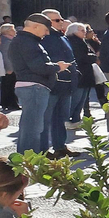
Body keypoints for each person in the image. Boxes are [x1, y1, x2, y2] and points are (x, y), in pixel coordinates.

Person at [3, 14, 67, 155]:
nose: (47, 33)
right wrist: (58, 67)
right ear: (35, 26)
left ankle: (25, 163)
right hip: (34, 87)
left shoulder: (25, 40)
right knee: (32, 128)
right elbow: (39, 67)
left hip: (32, 87)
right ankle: (26, 164)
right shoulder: (27, 42)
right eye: (45, 29)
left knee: (31, 127)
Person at [38, 10, 77, 157]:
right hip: (52, 84)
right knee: (45, 119)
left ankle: (60, 145)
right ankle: (43, 150)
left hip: (66, 83)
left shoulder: (62, 37)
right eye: (57, 20)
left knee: (60, 118)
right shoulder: (43, 38)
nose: (61, 22)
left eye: (61, 19)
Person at [66, 22, 98, 125]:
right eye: (82, 30)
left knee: (82, 100)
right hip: (79, 74)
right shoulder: (73, 42)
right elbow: (79, 57)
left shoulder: (81, 41)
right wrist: (92, 57)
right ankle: (68, 119)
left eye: (85, 30)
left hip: (85, 74)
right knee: (76, 99)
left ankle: (76, 119)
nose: (85, 32)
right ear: (73, 31)